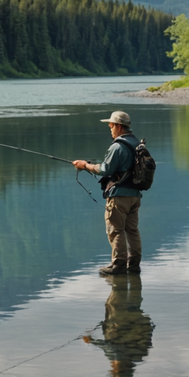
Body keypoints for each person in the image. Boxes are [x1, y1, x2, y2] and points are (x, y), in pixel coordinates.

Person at [73, 110, 143, 276]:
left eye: (111, 125)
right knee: (132, 230)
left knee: (115, 230)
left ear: (119, 126)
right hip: (135, 195)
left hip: (119, 196)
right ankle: (133, 265)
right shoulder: (137, 144)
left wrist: (85, 165)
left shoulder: (118, 146)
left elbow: (105, 169)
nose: (110, 129)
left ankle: (118, 265)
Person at [82, 274, 154, 377]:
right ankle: (119, 272)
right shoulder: (116, 356)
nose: (111, 367)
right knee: (117, 292)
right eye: (113, 371)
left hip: (136, 316)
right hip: (119, 317)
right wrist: (91, 341)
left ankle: (130, 270)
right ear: (117, 370)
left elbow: (148, 333)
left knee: (135, 288)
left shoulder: (140, 355)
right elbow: (110, 348)